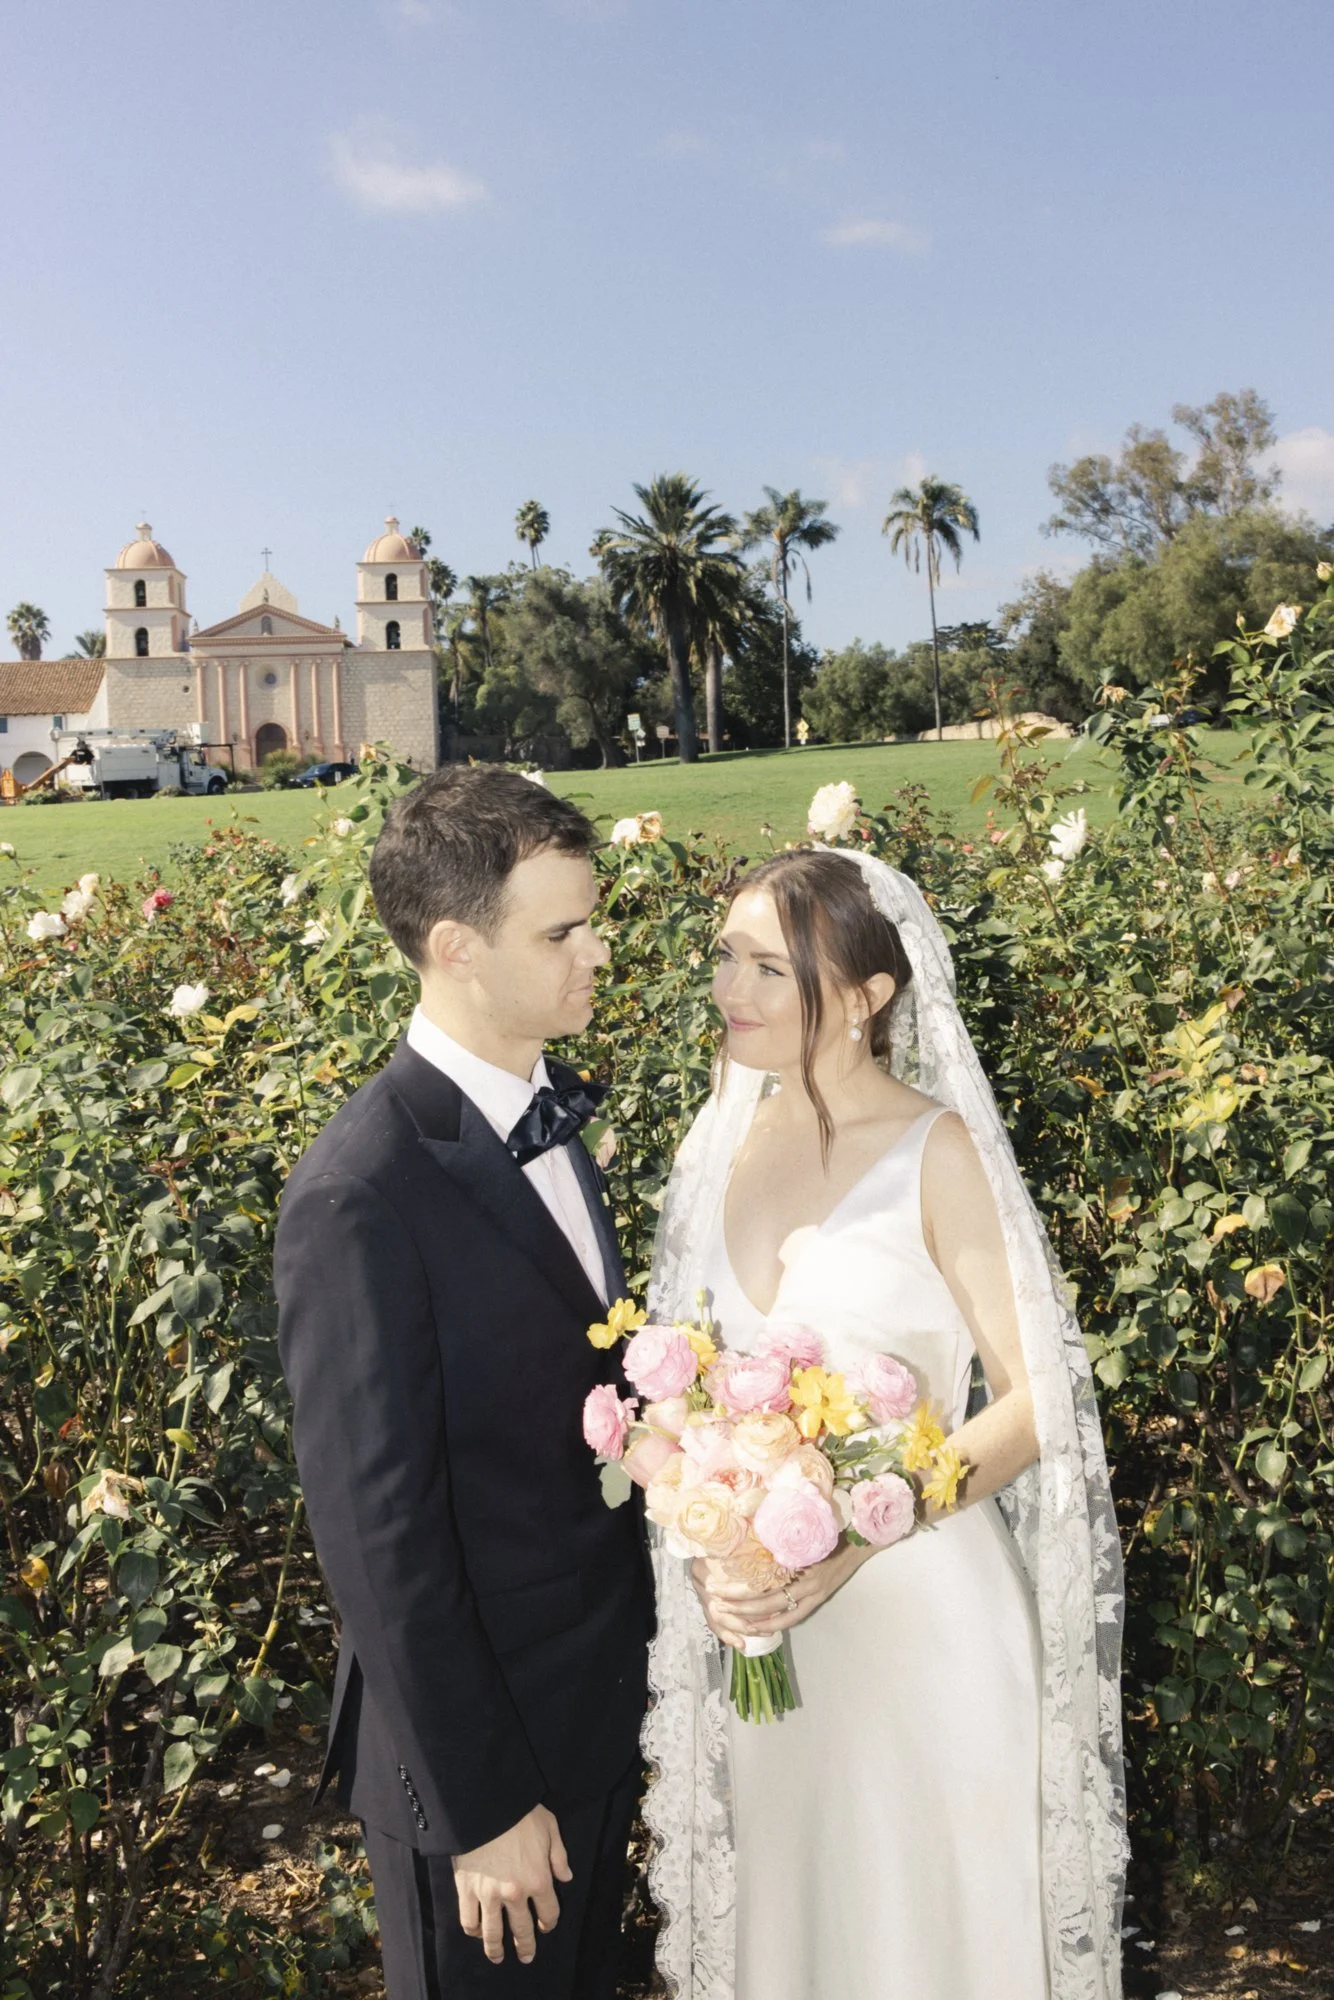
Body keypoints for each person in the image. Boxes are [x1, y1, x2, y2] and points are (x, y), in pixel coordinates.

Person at [641, 847, 1127, 2000]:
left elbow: (1034, 1398)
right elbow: (678, 1392)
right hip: (771, 1648)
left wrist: (866, 1522)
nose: (730, 989)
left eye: (769, 967)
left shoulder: (935, 1153)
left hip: (923, 1629)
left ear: (866, 996)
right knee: (795, 1936)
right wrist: (713, 1532)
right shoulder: (713, 1147)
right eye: (726, 956)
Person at [273, 766, 653, 2000]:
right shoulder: (357, 1192)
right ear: (454, 946)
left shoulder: (543, 1107)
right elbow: (375, 1537)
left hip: (594, 1707)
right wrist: (482, 1804)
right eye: (560, 932)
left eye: (592, 920)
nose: (596, 950)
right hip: (480, 1769)